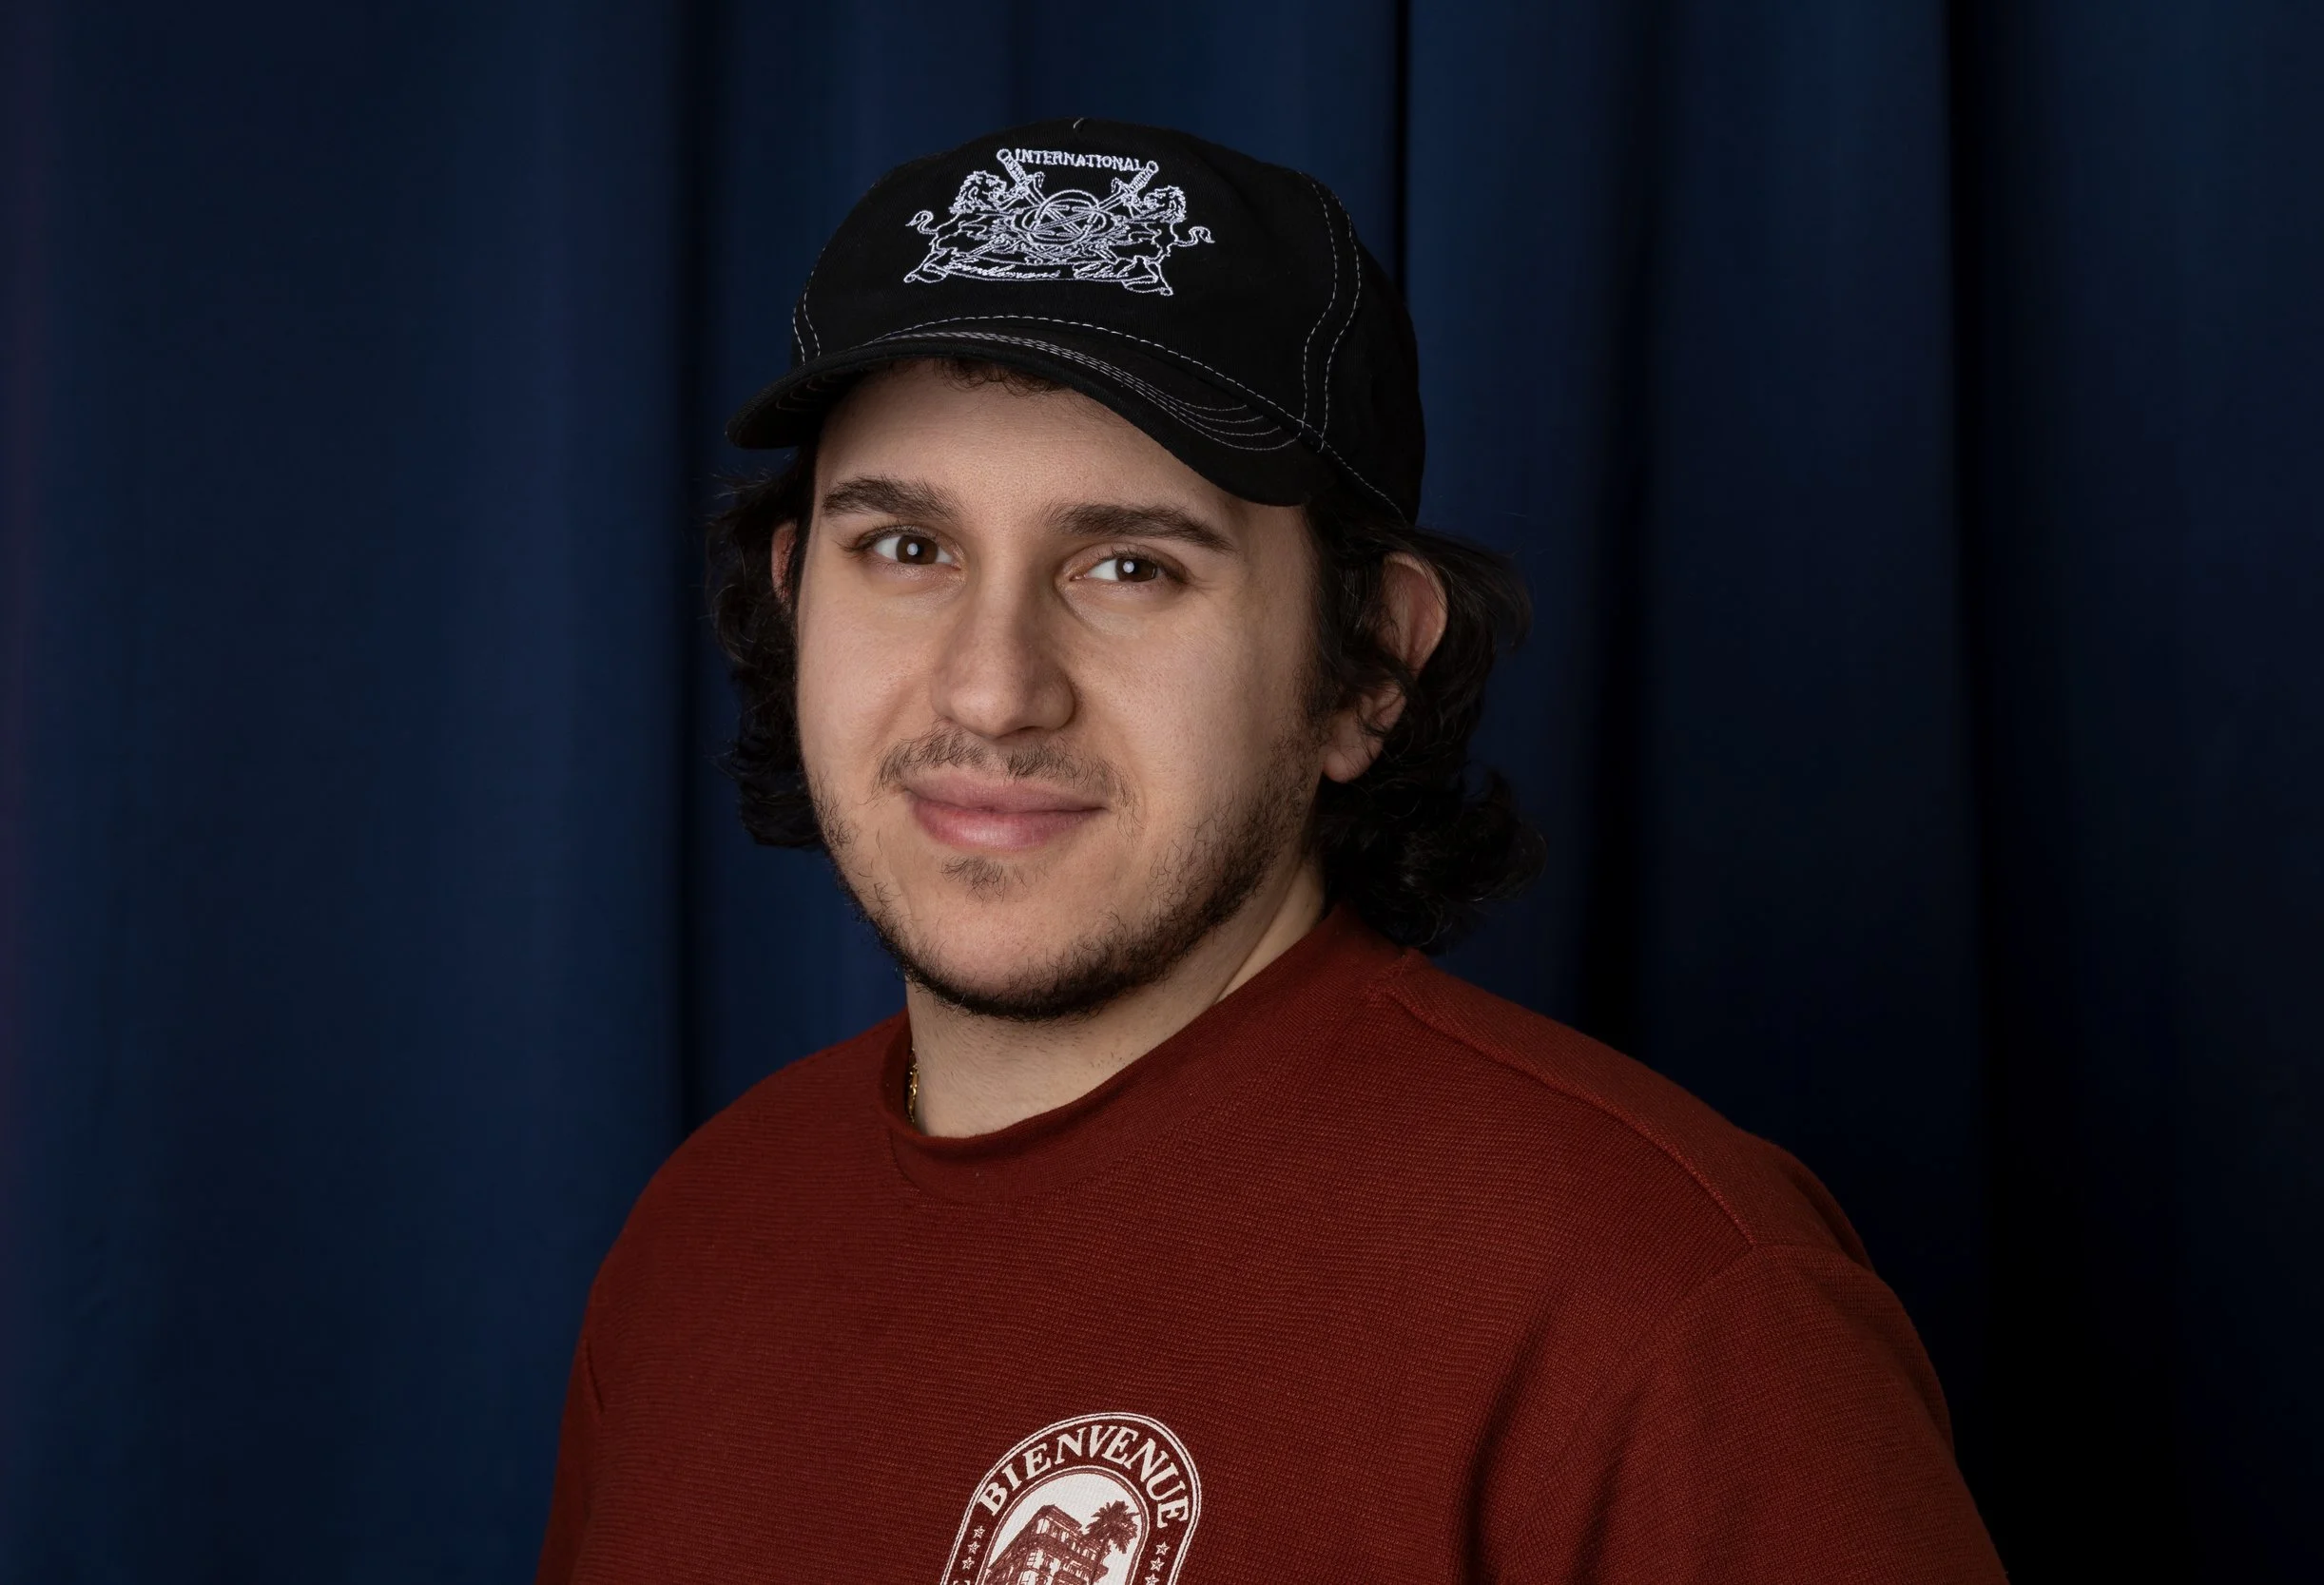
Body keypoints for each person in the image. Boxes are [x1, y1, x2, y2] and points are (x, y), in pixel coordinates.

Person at [533, 120, 2004, 1584]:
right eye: (908, 550)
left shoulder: (1668, 1302)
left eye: (1130, 566)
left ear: (1367, 661)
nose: (990, 687)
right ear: (795, 600)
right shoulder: (702, 1241)